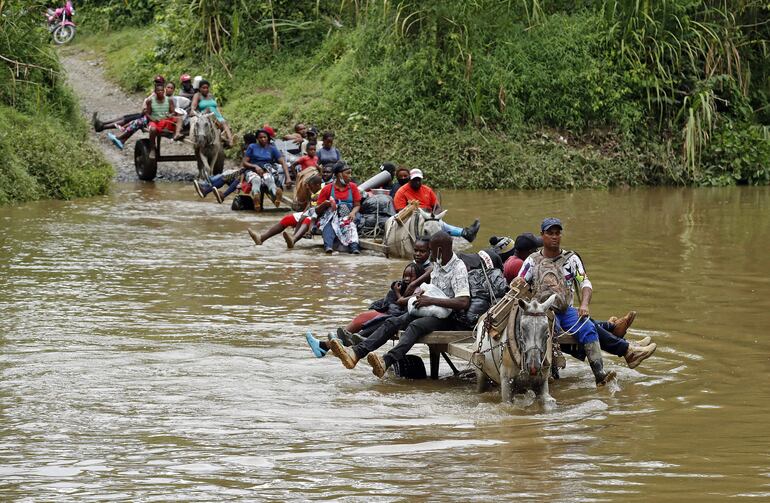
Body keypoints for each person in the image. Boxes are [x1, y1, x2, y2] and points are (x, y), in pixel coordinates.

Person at [516, 218, 657, 386]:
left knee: (587, 327)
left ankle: (600, 376)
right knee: (550, 333)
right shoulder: (532, 261)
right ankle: (621, 341)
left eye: (557, 233)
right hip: (540, 312)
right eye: (550, 233)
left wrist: (584, 304)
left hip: (564, 310)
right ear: (542, 235)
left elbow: (585, 283)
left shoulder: (571, 259)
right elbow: (519, 283)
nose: (554, 237)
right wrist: (519, 284)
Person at [326, 231, 471, 378]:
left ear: (440, 250)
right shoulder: (439, 263)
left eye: (431, 250)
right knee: (393, 321)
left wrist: (430, 300)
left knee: (415, 326)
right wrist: (419, 289)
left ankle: (386, 362)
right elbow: (432, 281)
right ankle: (356, 353)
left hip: (448, 317)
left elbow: (463, 302)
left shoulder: (458, 268)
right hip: (430, 309)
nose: (430, 254)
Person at [307, 262, 426, 357]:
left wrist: (397, 293)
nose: (406, 278)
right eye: (405, 275)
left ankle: (329, 345)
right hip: (392, 313)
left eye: (410, 276)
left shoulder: (419, 289)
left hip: (396, 316)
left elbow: (401, 303)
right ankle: (330, 344)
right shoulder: (403, 286)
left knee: (367, 323)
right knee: (362, 318)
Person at [393, 168, 481, 242]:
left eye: (419, 180)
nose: (417, 182)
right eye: (414, 180)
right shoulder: (401, 192)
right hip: (412, 218)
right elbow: (401, 212)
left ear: (421, 179)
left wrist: (435, 216)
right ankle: (465, 233)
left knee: (437, 223)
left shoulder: (427, 190)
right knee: (439, 225)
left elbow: (437, 206)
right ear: (410, 180)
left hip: (429, 217)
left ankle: (465, 233)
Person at [247, 175, 323, 248]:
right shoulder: (313, 190)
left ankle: (293, 239)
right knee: (288, 219)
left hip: (321, 215)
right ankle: (261, 238)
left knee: (307, 220)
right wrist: (304, 213)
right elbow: (310, 203)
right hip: (310, 212)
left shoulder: (325, 189)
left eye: (311, 187)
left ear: (317, 185)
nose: (309, 188)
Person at [316, 161, 361, 254]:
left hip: (348, 214)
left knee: (350, 225)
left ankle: (354, 247)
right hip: (331, 216)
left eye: (350, 173)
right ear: (339, 175)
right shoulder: (327, 189)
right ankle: (328, 247)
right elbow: (318, 209)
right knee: (329, 225)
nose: (350, 176)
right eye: (347, 173)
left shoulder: (353, 187)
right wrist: (325, 204)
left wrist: (352, 213)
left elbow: (357, 205)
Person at [242, 129, 292, 210]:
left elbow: (283, 163)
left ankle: (276, 194)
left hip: (267, 170)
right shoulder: (252, 147)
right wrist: (255, 166)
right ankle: (256, 198)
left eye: (264, 137)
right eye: (260, 137)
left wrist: (288, 177)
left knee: (269, 180)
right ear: (257, 139)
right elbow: (244, 162)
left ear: (268, 138)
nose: (263, 139)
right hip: (252, 170)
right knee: (256, 180)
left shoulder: (272, 149)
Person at [191, 79, 234, 147]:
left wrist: (220, 115)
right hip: (205, 115)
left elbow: (216, 107)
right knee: (218, 122)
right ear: (199, 88)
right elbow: (193, 108)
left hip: (216, 114)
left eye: (207, 88)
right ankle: (221, 137)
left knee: (224, 122)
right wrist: (196, 113)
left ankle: (231, 141)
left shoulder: (211, 95)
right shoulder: (197, 95)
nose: (206, 89)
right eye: (203, 88)